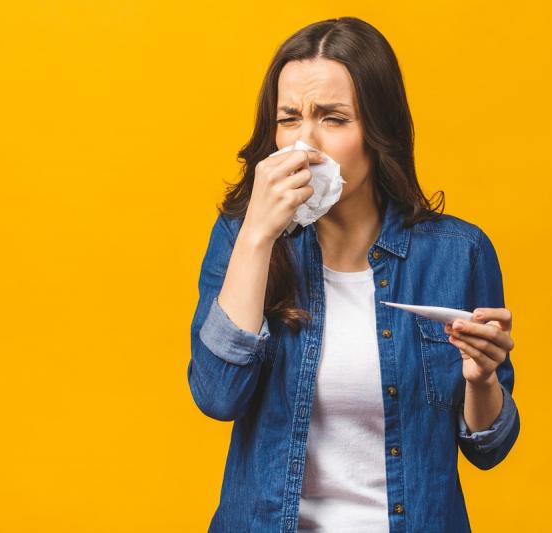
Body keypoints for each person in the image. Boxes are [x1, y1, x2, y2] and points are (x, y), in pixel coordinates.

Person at [187, 16, 520, 533]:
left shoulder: (459, 253)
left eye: (334, 119)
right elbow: (216, 396)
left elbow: (490, 447)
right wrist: (257, 233)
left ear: (378, 131)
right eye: (289, 118)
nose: (306, 143)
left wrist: (480, 382)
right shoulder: (241, 238)